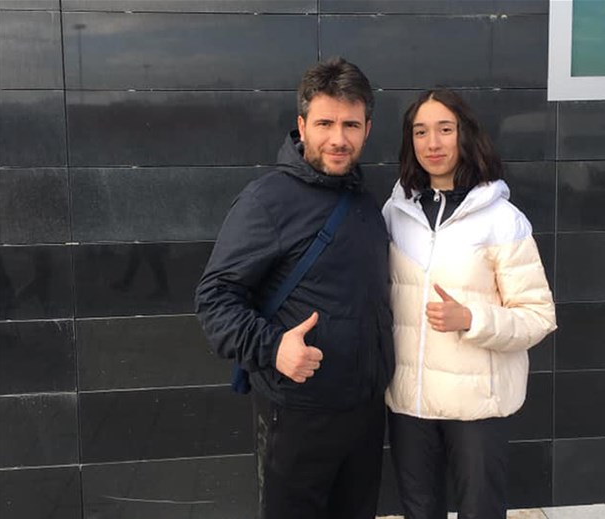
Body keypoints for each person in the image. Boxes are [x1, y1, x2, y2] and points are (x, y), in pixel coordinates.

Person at [195, 57, 394, 519]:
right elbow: (214, 299)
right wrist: (273, 347)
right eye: (325, 123)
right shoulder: (267, 201)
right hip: (298, 415)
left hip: (364, 414)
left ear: (367, 129)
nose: (338, 138)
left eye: (350, 124)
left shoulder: (365, 202)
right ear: (302, 126)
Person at [382, 89, 557, 519]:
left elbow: (538, 316)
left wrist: (472, 318)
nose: (432, 143)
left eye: (445, 129)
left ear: (466, 135)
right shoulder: (395, 213)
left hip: (477, 405)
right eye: (420, 132)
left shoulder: (502, 220)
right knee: (419, 511)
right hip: (409, 403)